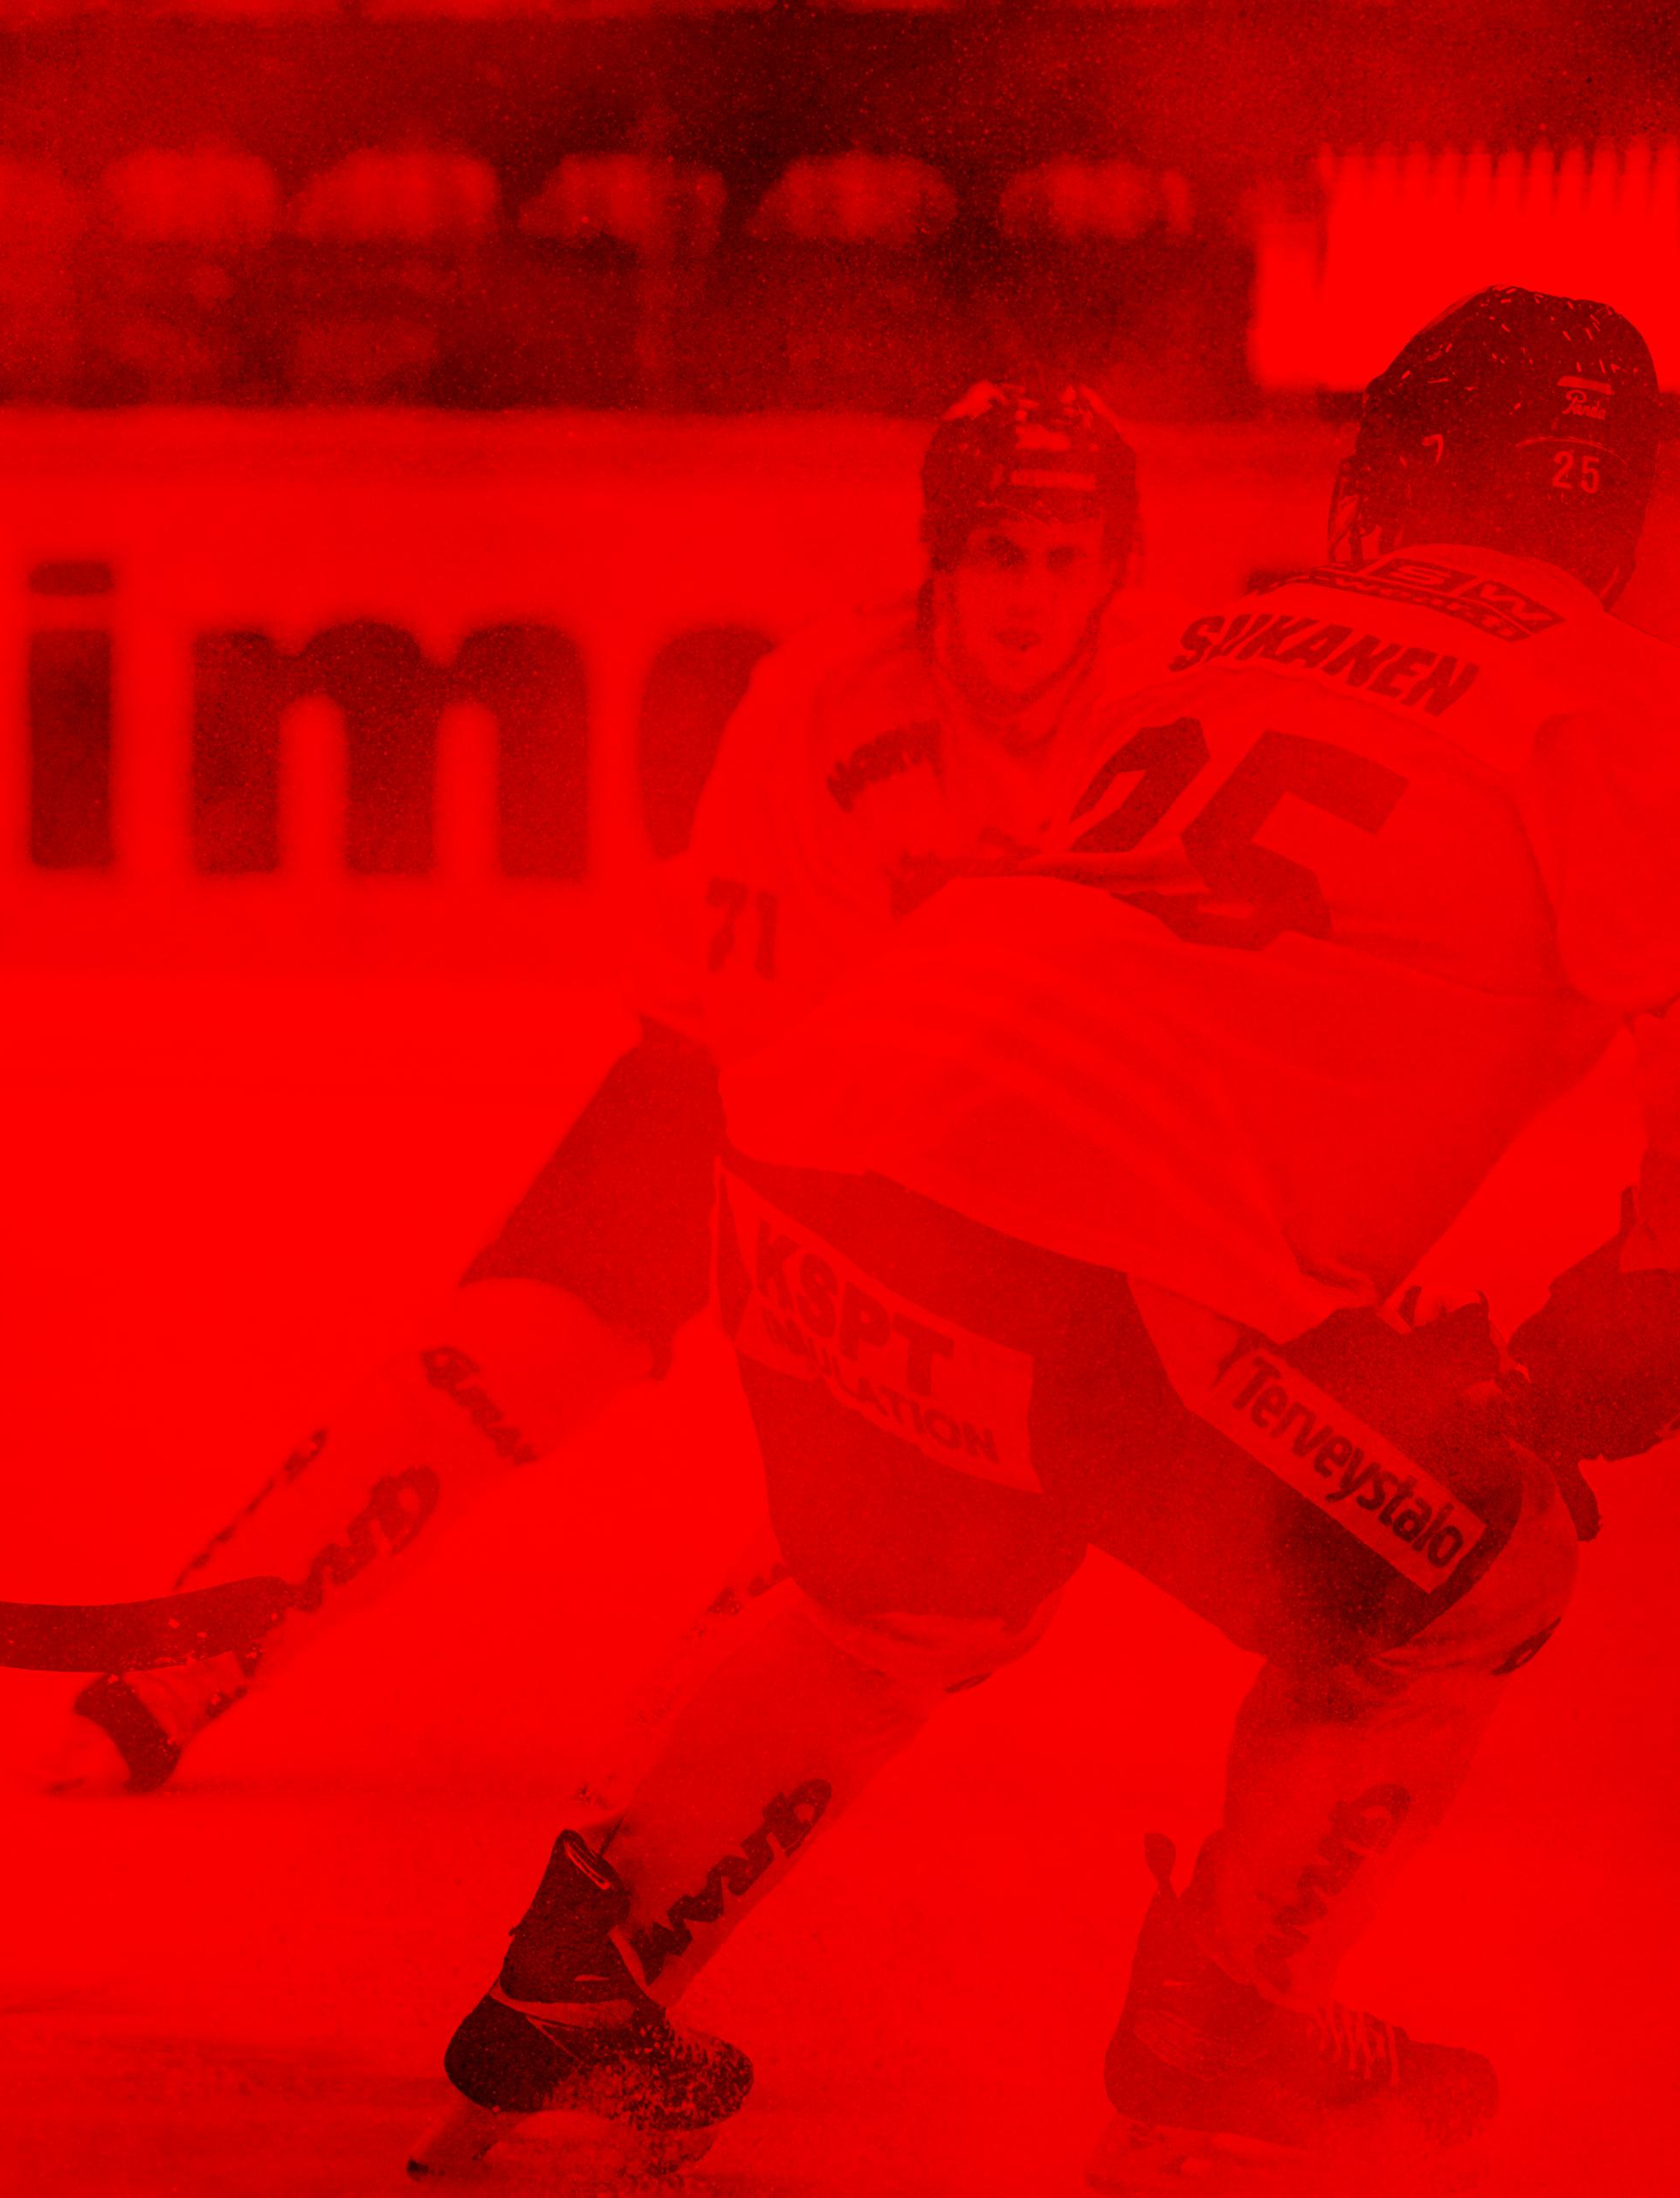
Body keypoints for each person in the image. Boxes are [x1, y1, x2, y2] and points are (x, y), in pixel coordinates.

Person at [413, 288, 1680, 2189]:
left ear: (1404, 473)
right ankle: (1222, 2034)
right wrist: (1648, 1291)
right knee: (1486, 1569)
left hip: (812, 1173)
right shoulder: (1614, 698)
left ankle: (580, 1980)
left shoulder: (1235, 633)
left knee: (907, 1600)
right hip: (1100, 1263)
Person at [57, 382, 1156, 1795]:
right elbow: (780, 1053)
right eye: (999, 553)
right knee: (503, 1362)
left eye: (1065, 559)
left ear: (1116, 570)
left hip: (985, 1140)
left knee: (904, 1495)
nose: (1029, 597)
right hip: (734, 1081)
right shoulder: (820, 698)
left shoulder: (1167, 708)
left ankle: (693, 1755)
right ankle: (181, 1658)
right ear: (939, 555)